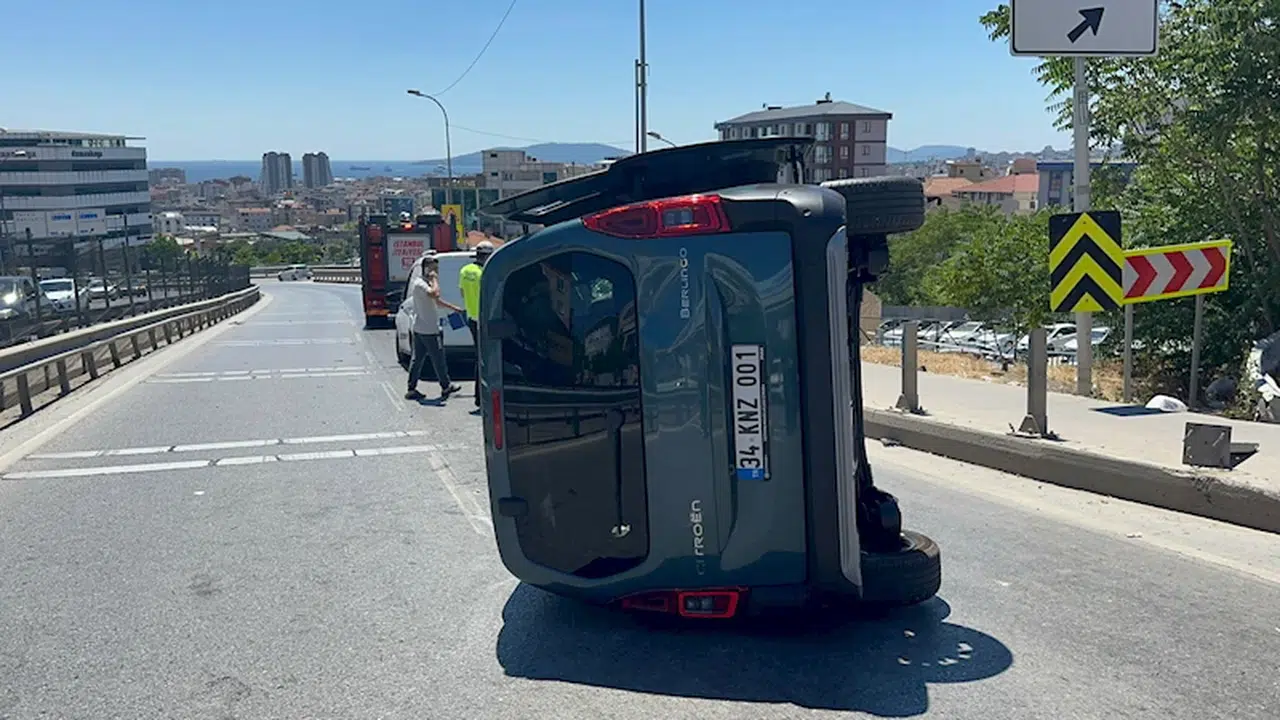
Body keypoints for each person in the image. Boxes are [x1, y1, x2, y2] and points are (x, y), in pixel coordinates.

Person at [406, 251, 464, 401]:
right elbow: (434, 294)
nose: (436, 271)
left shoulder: (425, 283)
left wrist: (454, 308)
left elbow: (437, 302)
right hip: (429, 329)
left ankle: (411, 388)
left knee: (417, 359)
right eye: (433, 268)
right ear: (426, 268)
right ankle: (446, 386)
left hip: (421, 327)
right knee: (438, 358)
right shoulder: (420, 284)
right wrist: (435, 279)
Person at [459, 240, 494, 406]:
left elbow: (462, 293)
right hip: (484, 319)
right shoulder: (485, 273)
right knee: (485, 359)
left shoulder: (465, 270)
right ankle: (480, 397)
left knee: (479, 356)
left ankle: (479, 397)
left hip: (472, 318)